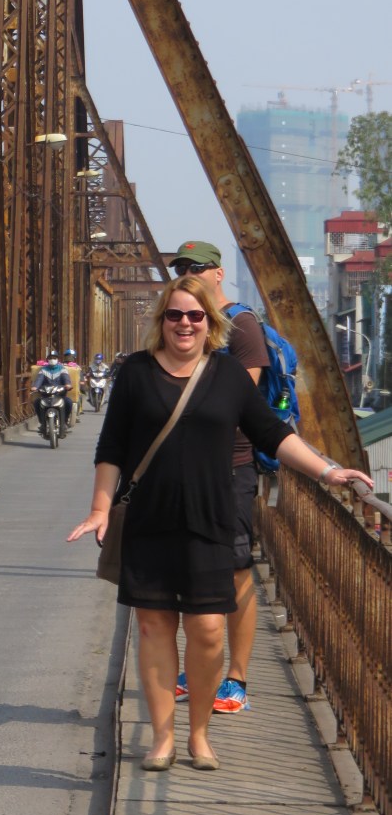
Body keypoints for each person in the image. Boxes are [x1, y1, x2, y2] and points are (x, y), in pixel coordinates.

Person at [66, 277, 372, 773]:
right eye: (175, 315)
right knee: (154, 627)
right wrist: (100, 509)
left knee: (208, 630)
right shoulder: (137, 372)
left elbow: (271, 433)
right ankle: (163, 738)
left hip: (210, 518)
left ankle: (200, 734)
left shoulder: (227, 373)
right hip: (149, 519)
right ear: (162, 320)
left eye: (195, 315)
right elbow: (112, 447)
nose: (185, 324)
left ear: (210, 323)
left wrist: (327, 471)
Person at [169, 239, 268, 714]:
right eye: (181, 268)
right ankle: (196, 670)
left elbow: (239, 403)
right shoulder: (182, 324)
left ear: (218, 273)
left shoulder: (241, 325)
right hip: (184, 467)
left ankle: (237, 678)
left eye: (197, 267)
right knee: (188, 568)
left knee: (236, 569)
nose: (188, 273)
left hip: (231, 467)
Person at [32, 350, 73, 432]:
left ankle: (65, 421)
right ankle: (42, 422)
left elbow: (66, 378)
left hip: (59, 394)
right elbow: (39, 379)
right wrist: (35, 387)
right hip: (46, 395)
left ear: (57, 359)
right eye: (50, 358)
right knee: (36, 402)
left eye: (54, 358)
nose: (52, 360)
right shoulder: (43, 370)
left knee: (68, 402)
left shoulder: (62, 369)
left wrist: (68, 385)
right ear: (47, 359)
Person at [62, 348, 83, 420]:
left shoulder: (76, 367)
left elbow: (81, 375)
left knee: (79, 397)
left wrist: (82, 380)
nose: (69, 358)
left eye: (70, 356)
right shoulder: (61, 365)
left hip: (74, 386)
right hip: (63, 386)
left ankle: (77, 413)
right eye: (68, 356)